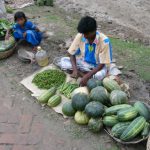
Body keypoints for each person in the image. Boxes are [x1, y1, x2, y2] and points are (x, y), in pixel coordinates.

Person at [65, 16, 120, 86]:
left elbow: (102, 63)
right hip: (84, 63)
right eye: (83, 33)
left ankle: (83, 75)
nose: (84, 36)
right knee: (63, 61)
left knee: (98, 76)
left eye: (86, 34)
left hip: (98, 67)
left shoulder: (104, 41)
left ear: (94, 30)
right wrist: (75, 70)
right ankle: (80, 73)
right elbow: (72, 53)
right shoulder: (80, 36)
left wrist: (87, 75)